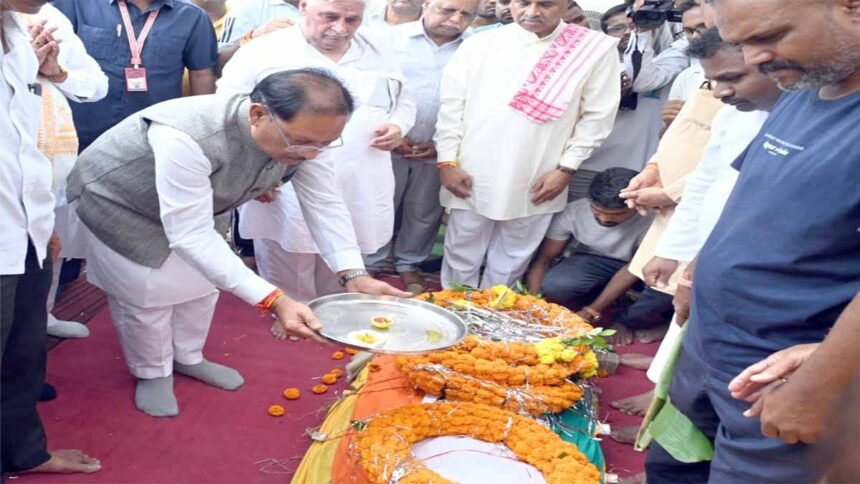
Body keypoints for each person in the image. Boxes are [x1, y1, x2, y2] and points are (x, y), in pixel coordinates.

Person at [645, 0, 860, 480]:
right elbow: (749, 198)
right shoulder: (806, 86)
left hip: (787, 377)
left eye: (770, 37)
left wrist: (821, 382)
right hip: (710, 348)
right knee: (673, 468)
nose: (754, 59)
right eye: (741, 43)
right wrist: (697, 271)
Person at [67, 69, 356, 418]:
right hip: (122, 205)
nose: (311, 155)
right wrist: (274, 300)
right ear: (257, 114)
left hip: (200, 208)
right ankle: (152, 372)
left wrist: (353, 273)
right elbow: (189, 234)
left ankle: (188, 357)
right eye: (301, 143)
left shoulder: (308, 138)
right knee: (146, 298)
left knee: (203, 288)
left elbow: (324, 202)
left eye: (324, 145)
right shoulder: (187, 135)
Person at [218, 0, 416, 316]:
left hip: (360, 175)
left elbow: (404, 100)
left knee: (342, 252)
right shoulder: (265, 49)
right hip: (283, 175)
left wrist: (398, 126)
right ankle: (288, 315)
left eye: (352, 20)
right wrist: (257, 174)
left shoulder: (378, 47)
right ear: (303, 6)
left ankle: (334, 315)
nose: (340, 28)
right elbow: (230, 114)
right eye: (330, 17)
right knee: (287, 257)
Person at [435, 0, 620, 289]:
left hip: (541, 171)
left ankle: (493, 311)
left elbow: (598, 117)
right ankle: (454, 308)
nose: (532, 12)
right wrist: (447, 161)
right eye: (523, 2)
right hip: (472, 167)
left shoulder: (593, 49)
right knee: (462, 248)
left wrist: (566, 168)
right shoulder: (479, 44)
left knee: (514, 254)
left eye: (545, 4)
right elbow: (451, 107)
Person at [1, 0, 100, 475]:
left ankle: (23, 453)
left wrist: (39, 220)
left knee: (23, 353)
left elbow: (24, 144)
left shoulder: (21, 35)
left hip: (24, 228)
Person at [364, 0, 479, 294]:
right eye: (447, 10)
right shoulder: (390, 39)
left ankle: (409, 263)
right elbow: (370, 90)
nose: (455, 19)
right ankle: (370, 261)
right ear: (427, 5)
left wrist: (443, 146)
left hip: (442, 146)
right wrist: (393, 134)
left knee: (424, 209)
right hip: (387, 140)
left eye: (465, 14)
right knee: (380, 204)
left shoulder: (477, 48)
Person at [19, 4, 109, 340]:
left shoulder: (49, 16)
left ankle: (42, 316)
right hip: (9, 157)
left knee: (50, 242)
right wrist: (23, 65)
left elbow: (97, 85)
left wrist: (56, 72)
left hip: (53, 157)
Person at [52, 0, 218, 151]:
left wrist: (200, 135)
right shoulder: (77, 4)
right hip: (81, 136)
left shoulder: (192, 16)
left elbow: (201, 74)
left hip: (153, 143)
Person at [526, 168, 655, 321]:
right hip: (595, 261)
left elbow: (633, 268)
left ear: (636, 204)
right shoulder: (573, 211)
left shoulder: (654, 220)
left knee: (657, 295)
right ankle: (607, 294)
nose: (605, 219)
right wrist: (535, 303)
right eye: (597, 211)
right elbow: (544, 259)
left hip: (641, 266)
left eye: (618, 214)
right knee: (556, 285)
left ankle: (621, 316)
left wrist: (592, 310)